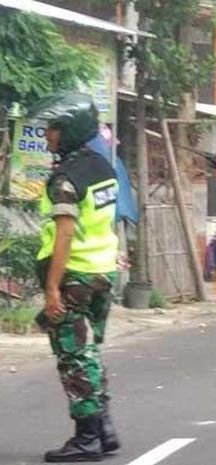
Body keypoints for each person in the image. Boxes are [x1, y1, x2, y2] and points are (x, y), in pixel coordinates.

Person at [29, 93, 121, 463]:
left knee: (73, 356)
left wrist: (52, 288)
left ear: (69, 131)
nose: (48, 135)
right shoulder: (103, 166)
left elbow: (64, 234)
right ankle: (105, 429)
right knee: (89, 351)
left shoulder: (65, 179)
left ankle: (87, 438)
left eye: (54, 128)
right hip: (104, 271)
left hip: (76, 277)